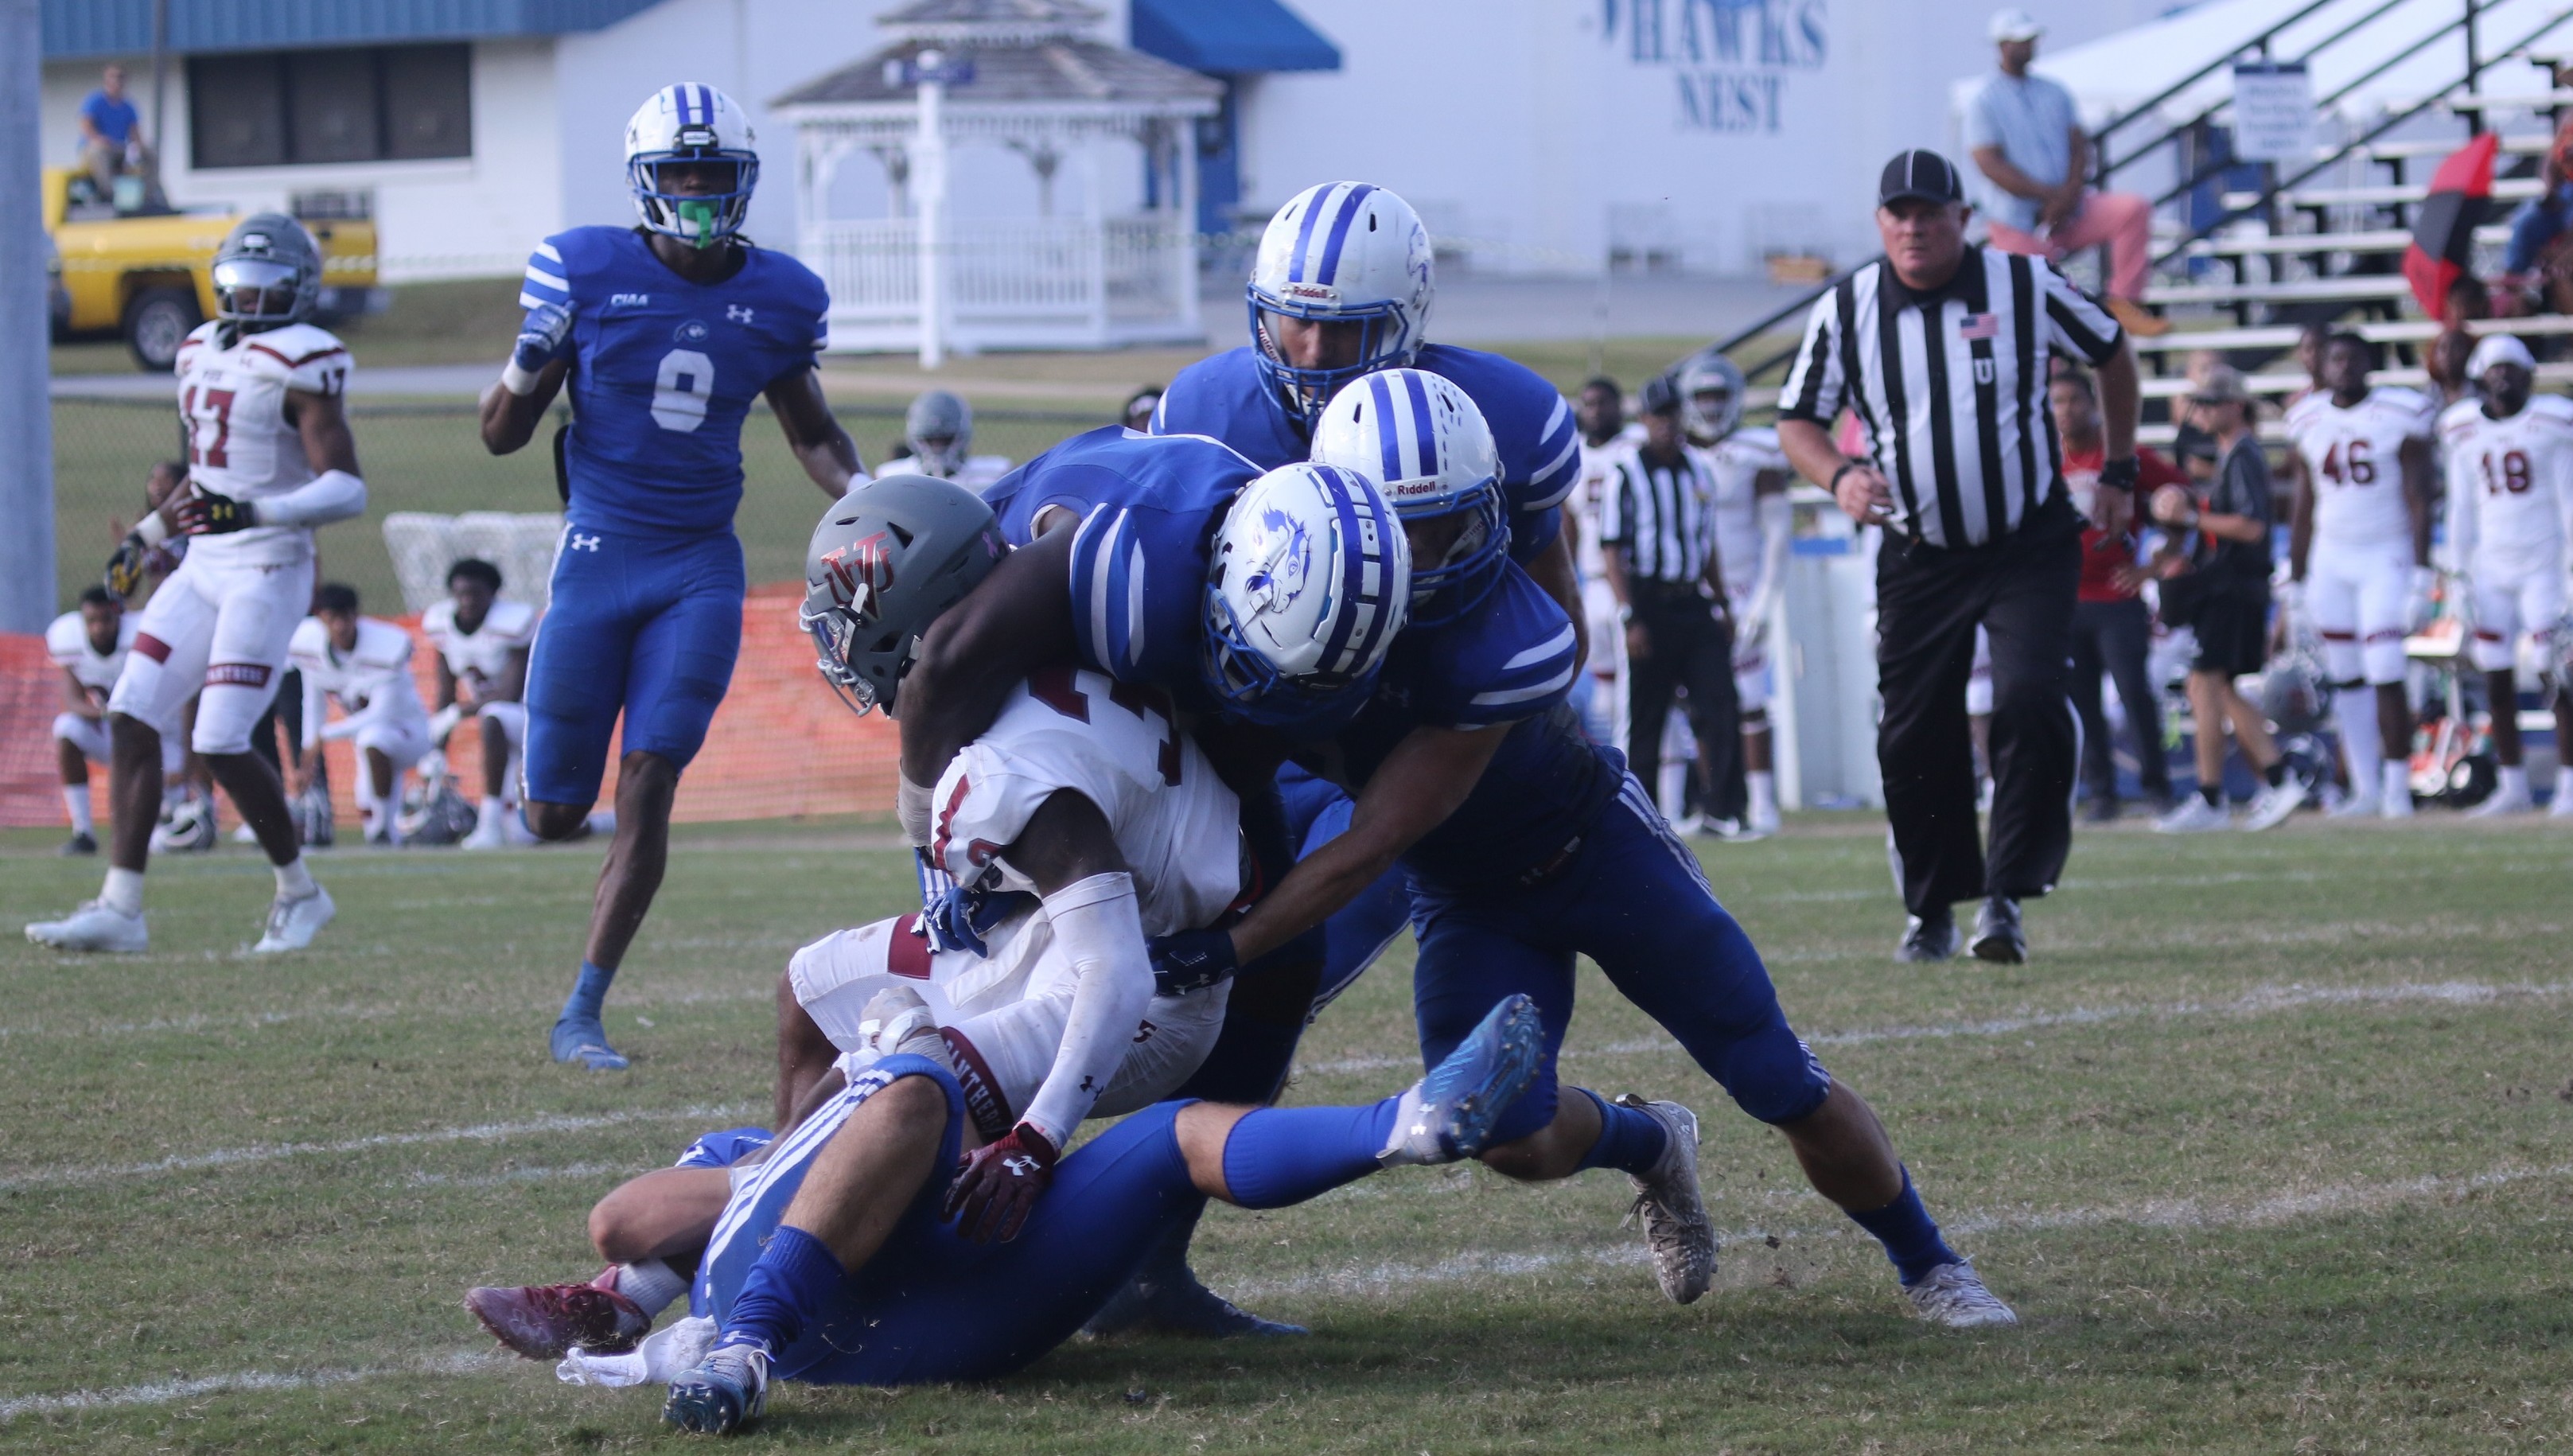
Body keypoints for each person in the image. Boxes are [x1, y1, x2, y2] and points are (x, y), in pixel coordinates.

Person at [471, 995, 1552, 1432]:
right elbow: (625, 1213)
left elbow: (636, 1231)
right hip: (823, 1318)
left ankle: (1405, 1122)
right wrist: (809, 1147)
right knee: (913, 1076)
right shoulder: (764, 1158)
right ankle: (735, 1346)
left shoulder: (826, 1149)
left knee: (1174, 1132)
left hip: (953, 1282)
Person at [479, 83, 863, 1072]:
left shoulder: (779, 295)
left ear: (743, 182)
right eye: (680, 173)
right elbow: (500, 437)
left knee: (651, 777)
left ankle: (583, 1011)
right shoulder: (586, 270)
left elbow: (810, 431)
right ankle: (581, 908)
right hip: (600, 556)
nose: (697, 191)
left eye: (715, 174)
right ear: (646, 182)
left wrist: (870, 496)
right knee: (552, 811)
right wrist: (529, 365)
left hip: (700, 565)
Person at [1778, 148, 2140, 964]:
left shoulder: (2022, 283)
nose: (1914, 228)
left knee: (2027, 701)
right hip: (1920, 550)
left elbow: (2113, 350)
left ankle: (2006, 896)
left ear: (1962, 221)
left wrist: (2119, 468)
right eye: (1899, 214)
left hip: (2025, 541)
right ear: (1880, 224)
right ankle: (1933, 905)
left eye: (1930, 213)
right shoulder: (1848, 307)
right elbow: (1796, 418)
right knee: (1914, 732)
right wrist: (1837, 474)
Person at [26, 216, 363, 956]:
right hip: (206, 563)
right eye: (239, 283)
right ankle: (122, 907)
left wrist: (254, 509)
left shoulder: (305, 359)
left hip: (268, 565)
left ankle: (301, 893)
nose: (251, 298)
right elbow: (203, 481)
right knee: (131, 713)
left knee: (218, 736)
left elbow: (347, 489)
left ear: (300, 290)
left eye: (268, 286)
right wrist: (148, 537)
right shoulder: (196, 349)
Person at [2281, 333, 2437, 819]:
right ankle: (2365, 788)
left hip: (2384, 553)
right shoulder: (2307, 418)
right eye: (2336, 358)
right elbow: (2302, 505)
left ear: (2372, 362)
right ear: (2321, 366)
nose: (2345, 367)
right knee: (2346, 675)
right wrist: (2298, 576)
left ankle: (2396, 788)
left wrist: (2420, 571)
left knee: (2387, 667)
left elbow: (2419, 498)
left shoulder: (2400, 413)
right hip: (2332, 556)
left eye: (2354, 358)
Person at [2146, 369, 2303, 832]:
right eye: (2202, 403)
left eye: (2213, 402)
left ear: (2236, 405)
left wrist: (2192, 516)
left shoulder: (2244, 455)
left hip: (2234, 586)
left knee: (2206, 685)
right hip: (2232, 586)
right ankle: (2275, 780)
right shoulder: (2232, 455)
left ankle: (2214, 797)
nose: (2205, 411)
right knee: (2216, 688)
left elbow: (2252, 527)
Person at [1600, 375, 1746, 837]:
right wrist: (1629, 615)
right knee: (1646, 717)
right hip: (1648, 603)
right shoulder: (1626, 471)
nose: (1667, 424)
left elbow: (1706, 546)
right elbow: (1611, 550)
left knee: (1720, 704)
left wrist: (1721, 603)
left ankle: (1723, 811)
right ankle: (1640, 818)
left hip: (1692, 601)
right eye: (1658, 415)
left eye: (1672, 414)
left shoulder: (1699, 470)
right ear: (1644, 420)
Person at [1964, 10, 2166, 338]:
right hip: (2017, 217)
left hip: (2066, 208)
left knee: (2133, 209)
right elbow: (1989, 164)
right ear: (2001, 46)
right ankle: (2058, 351)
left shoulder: (2054, 90)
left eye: (2030, 41)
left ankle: (2125, 301)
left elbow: (2077, 143)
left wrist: (2068, 193)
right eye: (2020, 42)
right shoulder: (1984, 100)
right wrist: (2051, 197)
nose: (2028, 47)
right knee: (2035, 285)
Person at [2437, 335, 2573, 816]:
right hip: (2491, 567)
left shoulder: (2551, 423)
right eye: (2495, 370)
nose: (2503, 378)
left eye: (2512, 369)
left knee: (2556, 674)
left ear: (2530, 375)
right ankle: (2512, 783)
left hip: (2543, 564)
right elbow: (2461, 509)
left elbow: (2568, 500)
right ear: (2480, 377)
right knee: (2494, 675)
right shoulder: (2462, 429)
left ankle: (2568, 782)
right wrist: (2457, 575)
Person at [2055, 366, 2181, 819]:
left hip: (2116, 598)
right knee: (2082, 701)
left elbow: (2182, 500)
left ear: (2094, 405)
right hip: (2066, 599)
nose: (2066, 411)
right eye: (2058, 402)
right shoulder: (2043, 459)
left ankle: (2157, 788)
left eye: (2075, 400)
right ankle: (2102, 794)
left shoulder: (2125, 456)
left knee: (2133, 694)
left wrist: (2153, 566)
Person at [1680, 349, 1793, 835]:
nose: (1709, 407)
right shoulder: (1675, 455)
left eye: (1718, 396)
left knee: (1749, 698)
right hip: (1692, 590)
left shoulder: (1756, 450)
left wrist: (1767, 597)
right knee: (1696, 703)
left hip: (1744, 586)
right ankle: (1709, 805)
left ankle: (1763, 805)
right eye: (1701, 397)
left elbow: (1779, 533)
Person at [288, 583, 434, 847]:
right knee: (365, 798)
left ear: (356, 615)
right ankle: (382, 838)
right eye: (332, 619)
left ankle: (384, 831)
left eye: (345, 618)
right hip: (366, 739)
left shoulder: (386, 645)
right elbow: (313, 703)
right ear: (321, 618)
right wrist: (308, 750)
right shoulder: (308, 645)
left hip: (409, 732)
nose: (340, 627)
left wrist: (323, 737)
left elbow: (380, 715)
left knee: (373, 737)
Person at [45, 586, 179, 856]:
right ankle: (83, 832)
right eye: (91, 621)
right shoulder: (68, 638)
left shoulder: (142, 635)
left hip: (158, 735)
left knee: (168, 834)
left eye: (105, 620)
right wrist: (110, 712)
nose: (98, 628)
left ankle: (184, 810)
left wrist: (188, 766)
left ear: (119, 616)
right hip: (113, 730)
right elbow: (73, 701)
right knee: (66, 728)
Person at [421, 557, 540, 848]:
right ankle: (605, 822)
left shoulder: (513, 624)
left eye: (475, 594)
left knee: (493, 714)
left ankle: (488, 824)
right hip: (502, 730)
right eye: (461, 594)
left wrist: (458, 712)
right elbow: (446, 692)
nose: (467, 601)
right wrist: (437, 747)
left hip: (535, 718)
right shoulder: (442, 627)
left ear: (493, 595)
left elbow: (509, 695)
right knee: (525, 834)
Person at [1569, 375, 1632, 745]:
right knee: (1604, 682)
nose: (1594, 412)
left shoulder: (1634, 448)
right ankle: (1613, 761)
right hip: (1592, 580)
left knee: (1634, 683)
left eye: (1602, 403)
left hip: (1628, 581)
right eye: (1588, 404)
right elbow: (1567, 521)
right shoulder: (1574, 453)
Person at [2499, 112, 2573, 302]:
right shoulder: (2568, 117)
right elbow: (2550, 161)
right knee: (2525, 222)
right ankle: (2511, 291)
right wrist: (2550, 192)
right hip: (2565, 193)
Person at [901, 389, 1012, 493]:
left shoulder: (996, 474)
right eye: (931, 441)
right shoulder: (894, 475)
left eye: (945, 440)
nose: (938, 449)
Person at [76, 64, 154, 202]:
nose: (116, 81)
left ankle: (149, 196)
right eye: (112, 77)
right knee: (98, 151)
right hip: (94, 149)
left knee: (150, 153)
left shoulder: (128, 106)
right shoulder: (95, 101)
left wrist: (139, 148)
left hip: (118, 149)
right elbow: (86, 125)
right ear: (106, 80)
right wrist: (98, 138)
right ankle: (107, 195)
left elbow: (135, 133)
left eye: (120, 77)